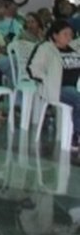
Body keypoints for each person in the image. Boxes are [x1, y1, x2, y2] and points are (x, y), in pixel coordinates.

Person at [27, 19, 80, 153]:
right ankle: (76, 133)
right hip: (57, 88)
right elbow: (33, 68)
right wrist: (47, 79)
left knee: (75, 96)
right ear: (55, 35)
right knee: (77, 98)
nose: (69, 37)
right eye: (65, 34)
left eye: (71, 34)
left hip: (74, 88)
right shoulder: (46, 48)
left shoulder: (74, 49)